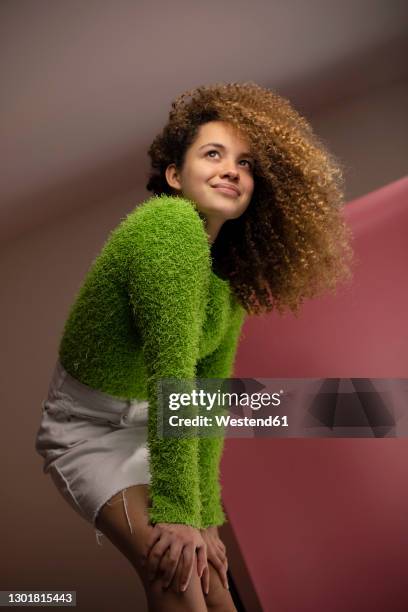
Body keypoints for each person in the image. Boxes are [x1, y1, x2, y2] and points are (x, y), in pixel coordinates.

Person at [35, 81, 352, 612]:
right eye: (213, 154)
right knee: (175, 568)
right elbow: (173, 377)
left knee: (210, 574)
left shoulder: (227, 278)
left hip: (156, 421)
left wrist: (204, 519)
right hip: (88, 430)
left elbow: (206, 401)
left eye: (246, 163)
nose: (232, 169)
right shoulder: (168, 226)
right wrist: (180, 513)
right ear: (175, 175)